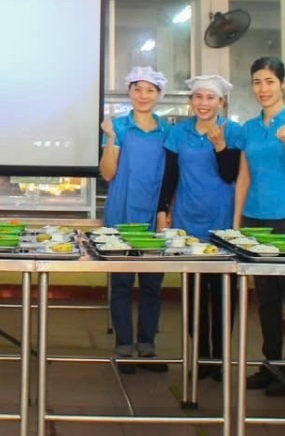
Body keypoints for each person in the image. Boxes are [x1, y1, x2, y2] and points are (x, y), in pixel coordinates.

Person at [232, 57, 285, 397]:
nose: (263, 88)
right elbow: (244, 177)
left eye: (269, 81)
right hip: (255, 220)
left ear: (282, 83)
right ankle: (271, 365)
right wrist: (236, 225)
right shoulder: (250, 128)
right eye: (257, 82)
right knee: (265, 297)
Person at [158, 74, 243, 382]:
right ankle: (201, 356)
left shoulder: (233, 131)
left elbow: (230, 175)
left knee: (222, 293)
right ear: (191, 101)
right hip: (187, 220)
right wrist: (162, 212)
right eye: (198, 97)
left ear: (221, 102)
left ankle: (220, 358)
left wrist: (220, 145)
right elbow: (170, 175)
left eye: (210, 98)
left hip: (221, 221)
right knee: (193, 292)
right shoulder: (178, 132)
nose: (203, 103)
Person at [100, 66, 172, 374]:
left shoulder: (167, 131)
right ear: (129, 91)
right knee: (121, 283)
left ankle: (147, 347)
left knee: (152, 285)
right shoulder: (117, 126)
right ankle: (123, 347)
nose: (143, 95)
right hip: (121, 215)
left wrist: (167, 212)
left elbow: (172, 176)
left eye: (150, 90)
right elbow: (107, 174)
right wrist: (110, 140)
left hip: (154, 217)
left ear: (158, 95)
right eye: (137, 89)